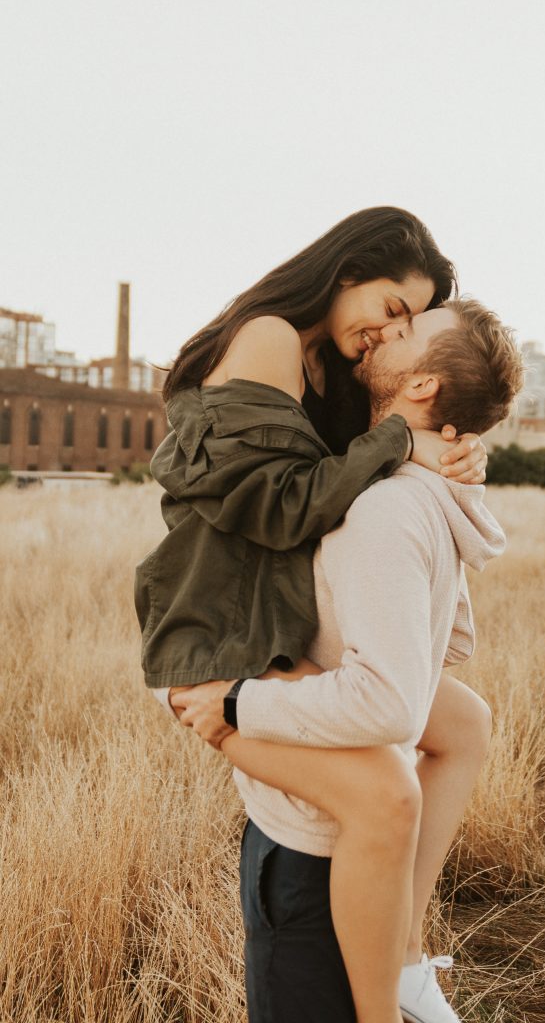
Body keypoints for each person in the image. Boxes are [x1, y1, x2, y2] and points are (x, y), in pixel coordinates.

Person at [135, 208, 488, 1023]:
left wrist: (449, 450)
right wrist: (401, 438)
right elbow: (278, 507)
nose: (388, 332)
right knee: (385, 795)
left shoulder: (327, 368)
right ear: (348, 269)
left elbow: (355, 489)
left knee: (463, 723)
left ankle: (402, 952)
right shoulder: (266, 337)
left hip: (279, 618)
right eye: (393, 308)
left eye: (409, 322)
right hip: (220, 631)